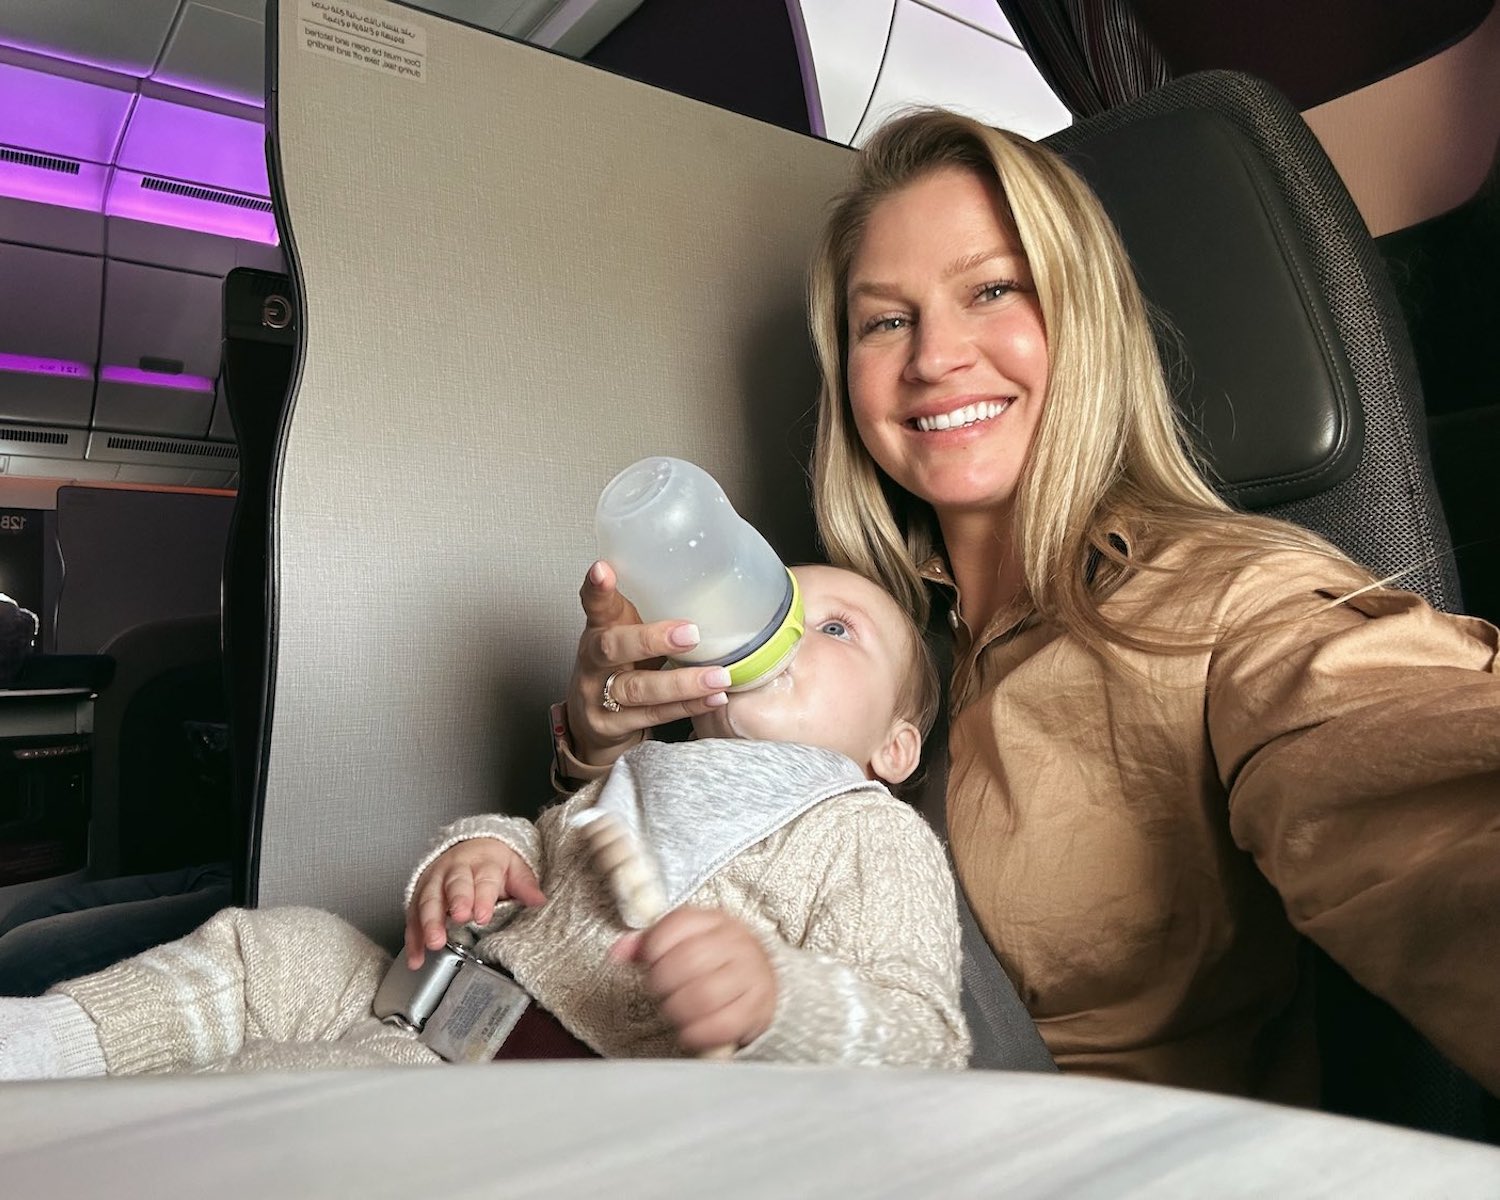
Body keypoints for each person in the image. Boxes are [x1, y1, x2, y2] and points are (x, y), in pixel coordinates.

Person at [555, 109, 1500, 1105]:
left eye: (992, 289)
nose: (934, 356)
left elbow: (1424, 788)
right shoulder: (850, 631)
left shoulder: (1230, 608)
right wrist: (600, 743)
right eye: (885, 318)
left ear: (1083, 318)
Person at [0, 565, 970, 1079]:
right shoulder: (647, 772)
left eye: (835, 628)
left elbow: (925, 1038)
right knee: (285, 947)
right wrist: (479, 851)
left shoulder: (867, 835)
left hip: (574, 1095)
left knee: (283, 1106)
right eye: (773, 610)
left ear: (895, 746)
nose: (788, 632)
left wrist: (776, 1001)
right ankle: (49, 1047)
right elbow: (542, 839)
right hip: (438, 1008)